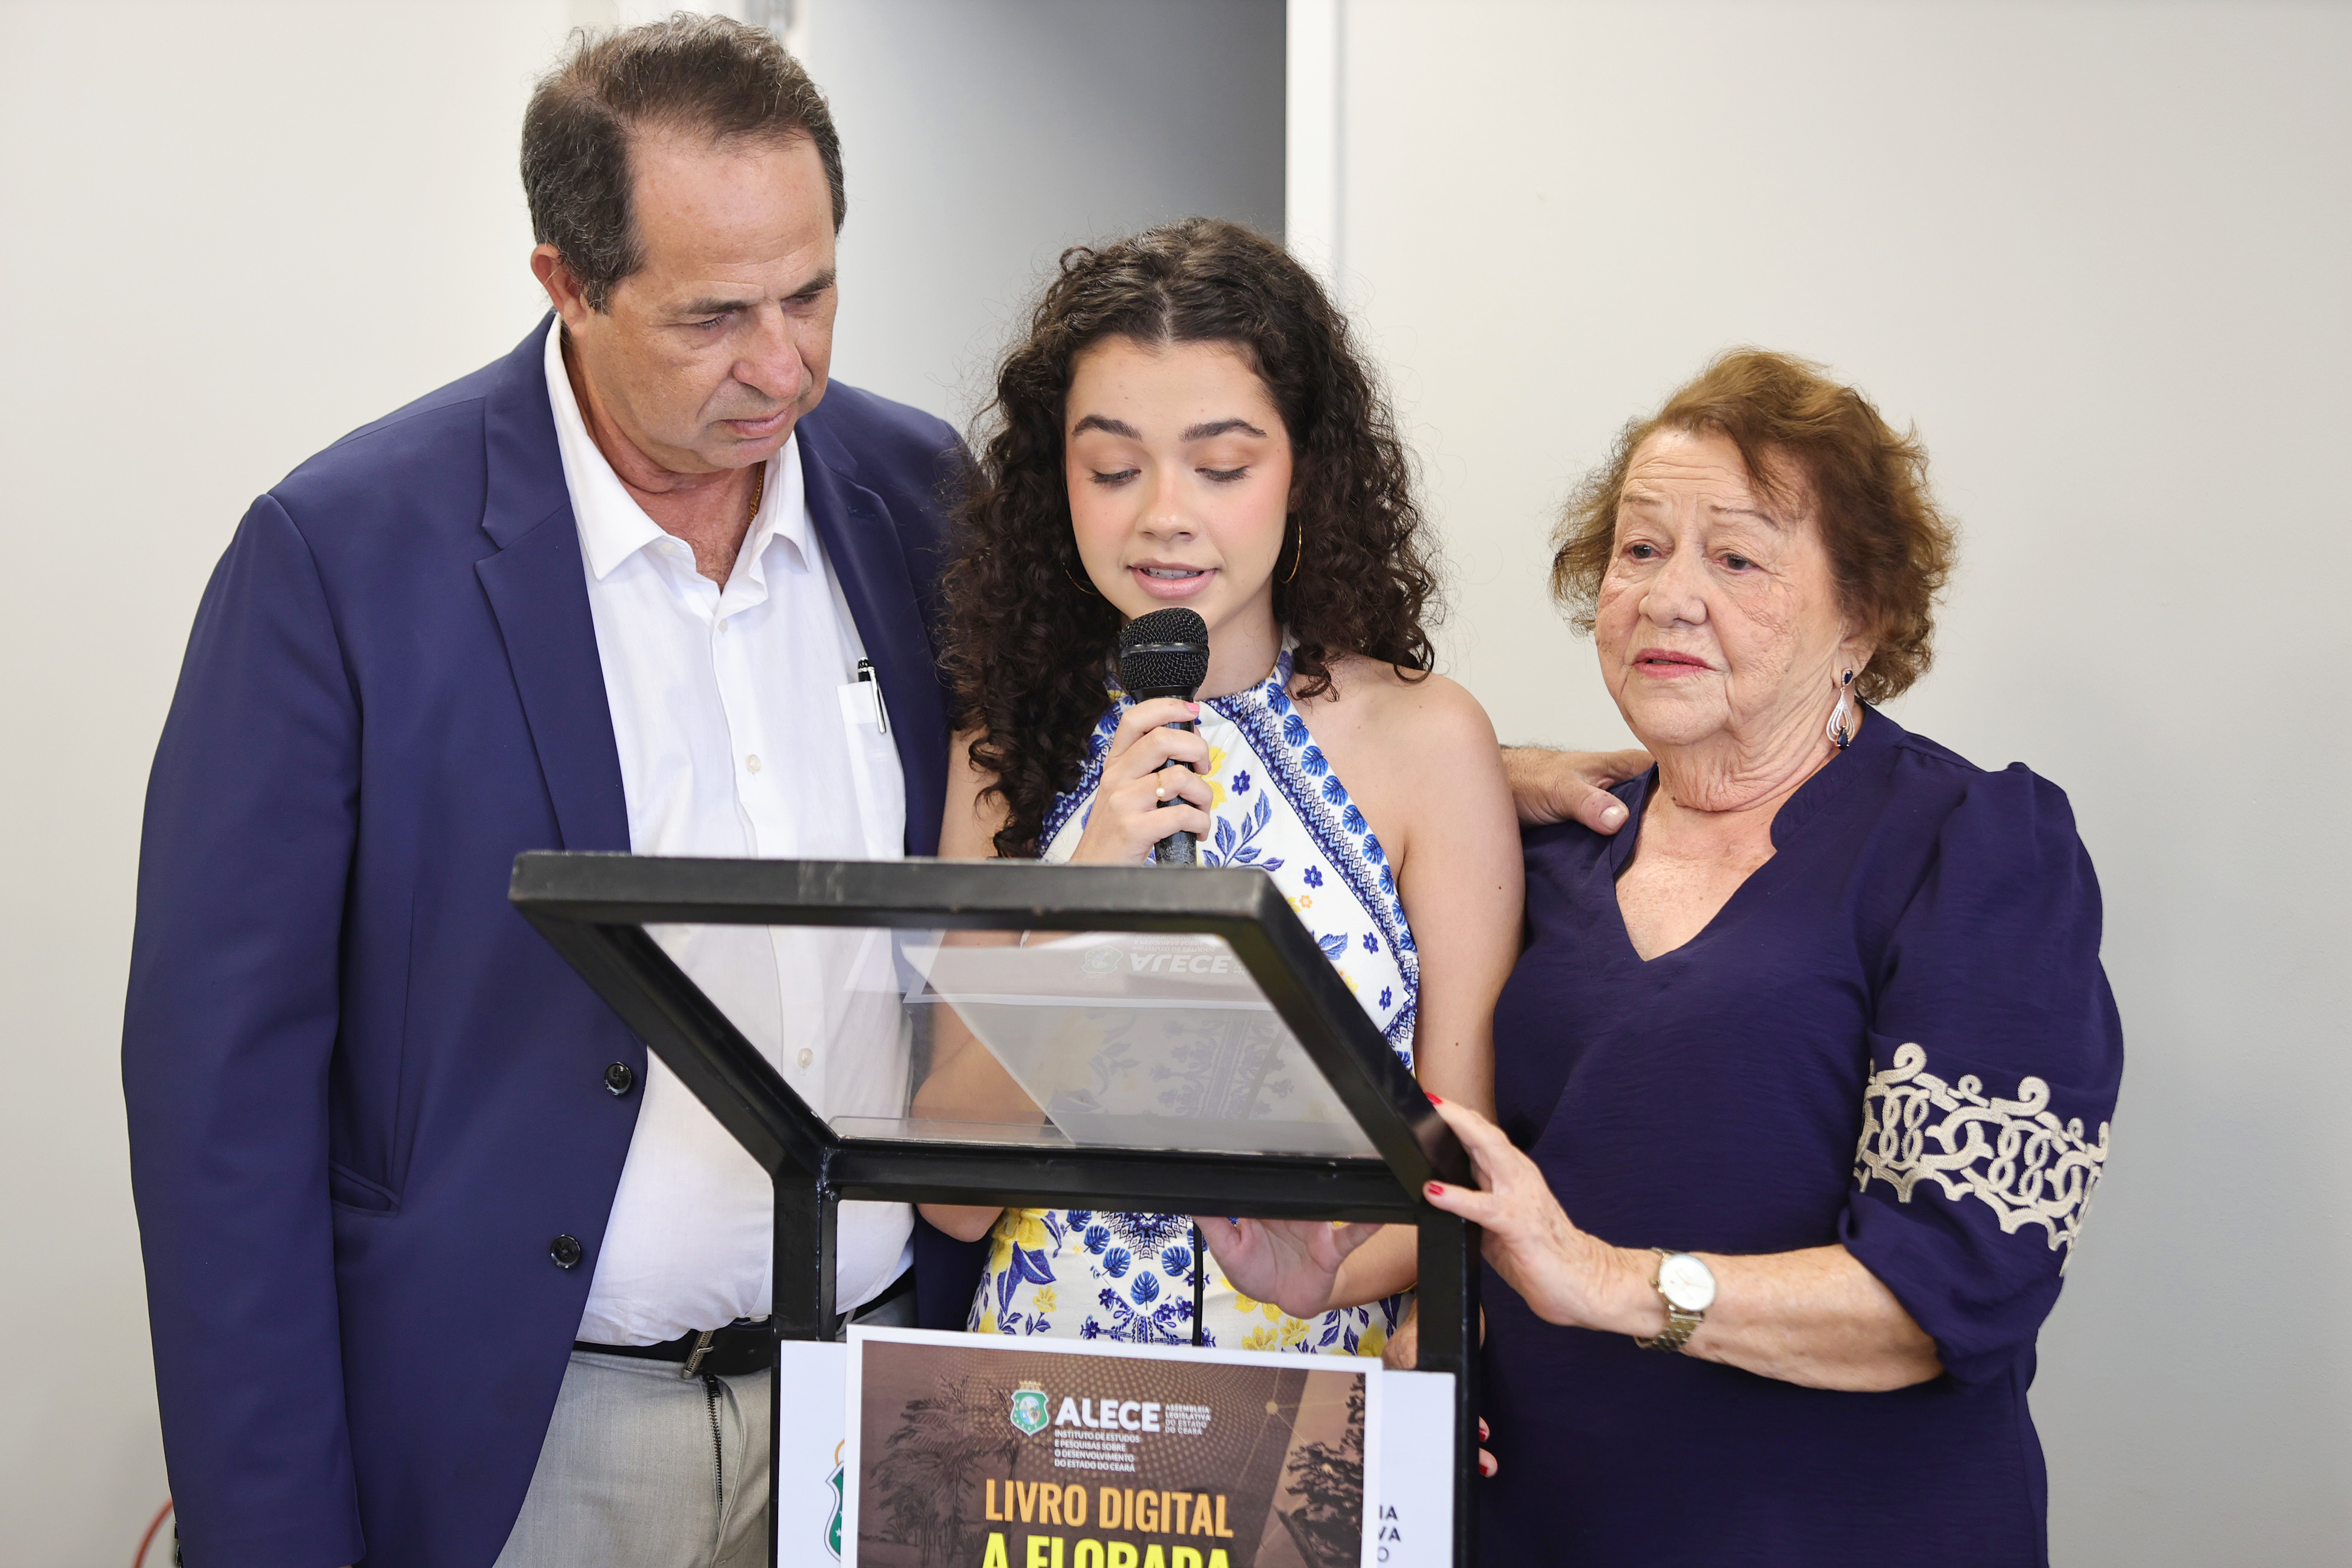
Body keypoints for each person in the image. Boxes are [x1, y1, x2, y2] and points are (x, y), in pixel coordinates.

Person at [121, 19, 986, 1568]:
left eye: (811, 293)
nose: (783, 364)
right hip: (527, 1440)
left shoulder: (925, 499)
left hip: (883, 1406)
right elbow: (219, 1104)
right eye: (714, 316)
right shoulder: (340, 559)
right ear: (567, 284)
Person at [1208, 349, 2122, 1564]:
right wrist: (1338, 1273)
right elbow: (1502, 1193)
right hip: (1542, 1527)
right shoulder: (1547, 856)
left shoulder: (1971, 849)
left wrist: (1610, 1282)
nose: (1668, 596)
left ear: (1863, 616)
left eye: (1737, 558)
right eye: (1639, 550)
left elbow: (1954, 1289)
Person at [912, 218, 1525, 1356]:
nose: (1164, 514)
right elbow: (950, 1198)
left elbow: (1464, 1167)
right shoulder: (1005, 746)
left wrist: (1328, 1279)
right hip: (1041, 1404)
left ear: (1305, 470)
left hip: (1312, 1388)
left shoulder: (1428, 741)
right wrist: (1082, 901)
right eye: (1113, 469)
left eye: (1223, 467)